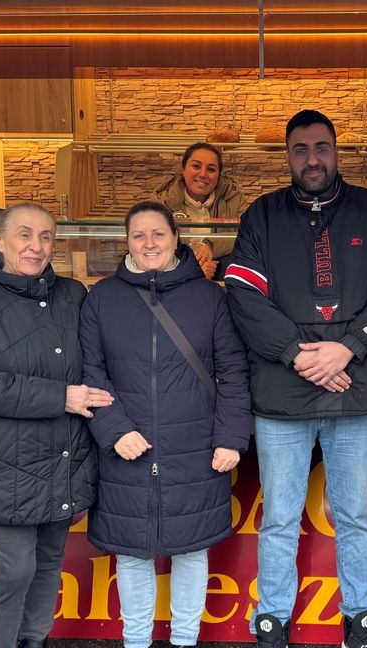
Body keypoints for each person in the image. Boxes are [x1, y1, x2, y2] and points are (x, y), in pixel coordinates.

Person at [223, 109, 367, 648]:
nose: (313, 158)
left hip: (352, 392)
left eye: (322, 147)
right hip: (283, 395)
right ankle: (273, 619)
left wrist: (348, 348)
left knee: (354, 513)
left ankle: (361, 617)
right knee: (281, 517)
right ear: (288, 155)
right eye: (301, 149)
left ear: (337, 150)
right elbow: (242, 296)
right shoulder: (261, 216)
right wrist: (298, 354)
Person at [79, 200, 252, 648]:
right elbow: (90, 372)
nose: (149, 243)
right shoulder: (102, 298)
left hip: (195, 446)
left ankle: (184, 641)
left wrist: (231, 437)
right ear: (127, 242)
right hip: (127, 448)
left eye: (158, 234)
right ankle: (135, 642)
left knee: (192, 551)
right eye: (138, 235)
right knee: (133, 554)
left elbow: (234, 370)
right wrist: (114, 430)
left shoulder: (211, 297)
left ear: (176, 237)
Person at [0, 202, 110, 648]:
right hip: (3, 465)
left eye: (46, 236)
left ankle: (35, 640)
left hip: (63, 455)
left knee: (49, 563)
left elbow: (96, 359)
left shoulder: (73, 295)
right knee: (14, 570)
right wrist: (63, 397)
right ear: (0, 241)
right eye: (24, 235)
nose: (36, 246)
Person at [153, 141, 248, 279]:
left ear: (218, 175)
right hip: (174, 276)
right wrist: (193, 268)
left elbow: (245, 234)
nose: (203, 174)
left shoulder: (234, 197)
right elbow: (155, 246)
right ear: (184, 170)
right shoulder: (162, 200)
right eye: (196, 166)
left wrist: (210, 246)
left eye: (211, 169)